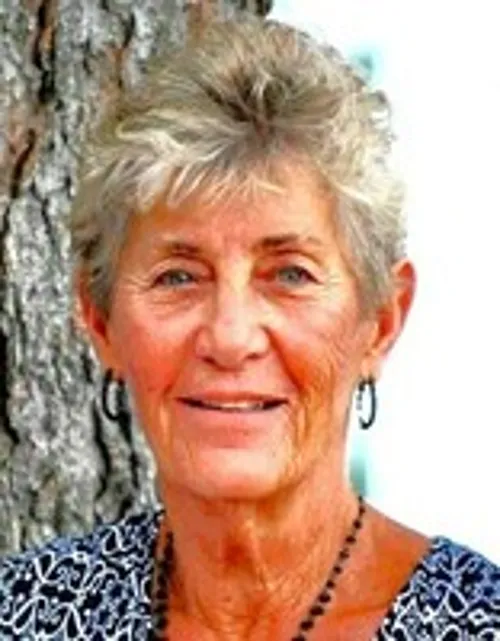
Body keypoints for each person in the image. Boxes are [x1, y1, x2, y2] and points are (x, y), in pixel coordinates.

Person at [1, 15, 499, 641]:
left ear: (380, 321)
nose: (231, 338)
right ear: (100, 321)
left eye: (289, 274)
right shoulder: (24, 617)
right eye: (179, 277)